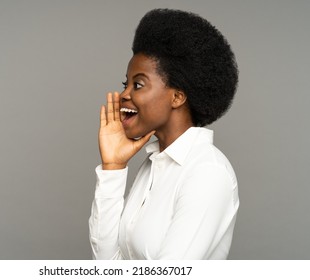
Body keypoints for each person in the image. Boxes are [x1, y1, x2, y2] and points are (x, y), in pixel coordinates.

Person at [89, 8, 239, 260]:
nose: (125, 94)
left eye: (138, 84)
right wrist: (113, 167)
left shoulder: (207, 172)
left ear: (177, 96)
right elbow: (106, 266)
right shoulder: (152, 165)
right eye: (125, 84)